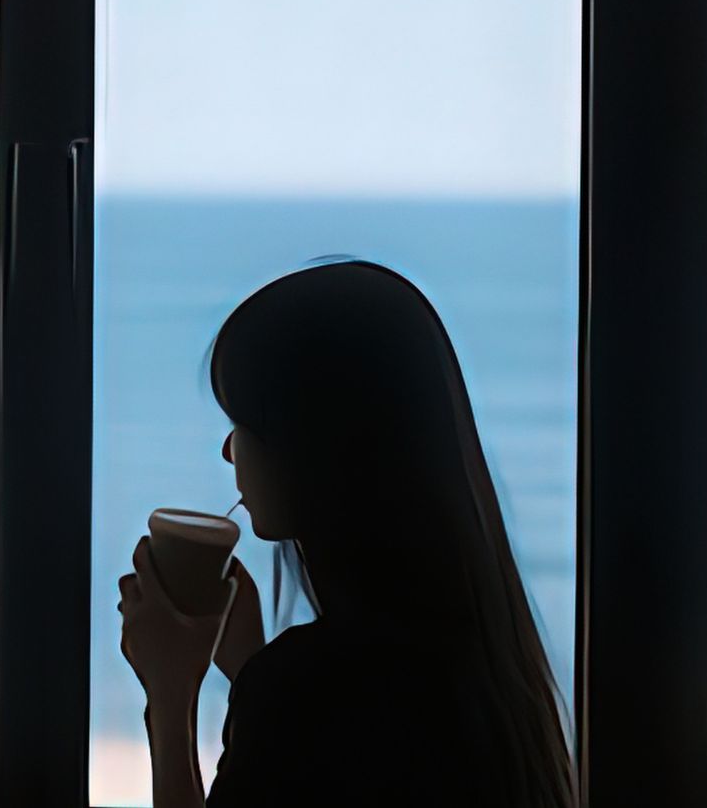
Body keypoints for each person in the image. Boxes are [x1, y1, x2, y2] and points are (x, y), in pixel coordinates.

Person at [117, 259, 575, 807]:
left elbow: (319, 733)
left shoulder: (312, 690)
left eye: (244, 424)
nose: (228, 450)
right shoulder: (488, 666)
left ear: (309, 449)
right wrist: (247, 666)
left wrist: (170, 699)